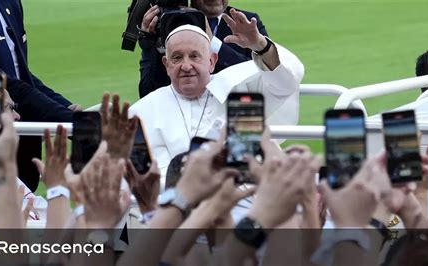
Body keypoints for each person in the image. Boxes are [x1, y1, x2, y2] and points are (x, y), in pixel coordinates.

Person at [130, 9, 304, 177]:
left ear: (212, 62)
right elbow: (150, 177)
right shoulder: (145, 110)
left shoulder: (239, 89)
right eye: (177, 58)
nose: (186, 66)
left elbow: (286, 82)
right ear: (167, 65)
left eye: (195, 56)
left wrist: (259, 44)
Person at [0, 0, 82, 191]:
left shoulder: (9, 4)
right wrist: (76, 123)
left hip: (22, 142)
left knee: (24, 208)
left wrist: (64, 109)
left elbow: (20, 79)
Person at [138, 0, 270, 98]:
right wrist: (151, 44)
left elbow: (262, 78)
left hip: (230, 118)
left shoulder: (246, 22)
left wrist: (213, 43)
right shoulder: (170, 22)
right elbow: (147, 93)